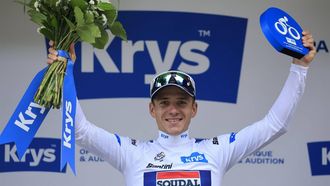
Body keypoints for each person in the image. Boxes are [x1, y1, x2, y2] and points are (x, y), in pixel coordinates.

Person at [48, 31, 316, 186]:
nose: (173, 110)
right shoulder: (131, 153)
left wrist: (299, 67)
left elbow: (275, 125)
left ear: (194, 109)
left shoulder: (216, 150)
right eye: (164, 102)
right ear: (152, 110)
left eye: (181, 102)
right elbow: (79, 131)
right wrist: (65, 70)